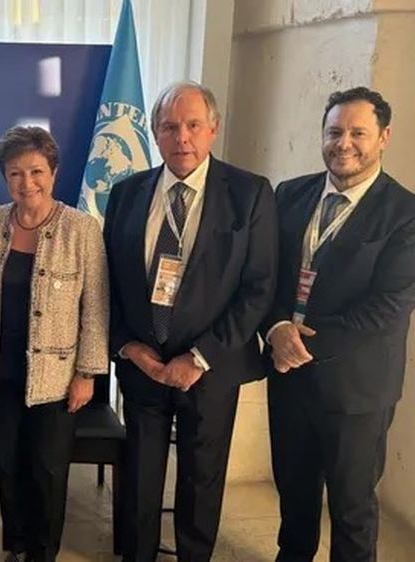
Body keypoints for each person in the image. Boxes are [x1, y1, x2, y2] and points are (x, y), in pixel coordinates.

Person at [103, 81, 278, 561]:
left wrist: (199, 357)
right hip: (142, 364)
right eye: (169, 127)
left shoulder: (250, 194)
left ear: (213, 130)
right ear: (155, 135)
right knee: (140, 473)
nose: (181, 137)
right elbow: (108, 284)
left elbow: (258, 287)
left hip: (211, 368)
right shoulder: (126, 194)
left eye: (193, 125)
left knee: (202, 478)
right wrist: (127, 346)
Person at [263, 87, 415, 562]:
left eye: (358, 132)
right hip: (288, 377)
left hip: (356, 390)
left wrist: (301, 344)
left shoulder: (412, 217)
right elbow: (268, 274)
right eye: (334, 131)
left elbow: (389, 306)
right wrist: (277, 327)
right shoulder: (289, 195)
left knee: (352, 507)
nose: (344, 143)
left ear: (384, 137)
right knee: (294, 495)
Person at [0, 126, 109, 562]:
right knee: (7, 466)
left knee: (47, 471)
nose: (28, 183)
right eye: (16, 173)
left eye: (37, 171)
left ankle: (43, 553)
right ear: (5, 177)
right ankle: (17, 546)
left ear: (54, 172)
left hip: (58, 378)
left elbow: (97, 306)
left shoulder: (81, 229)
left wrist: (87, 373)